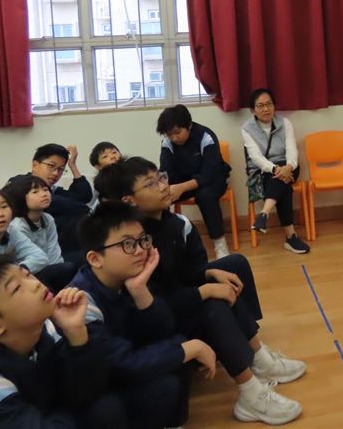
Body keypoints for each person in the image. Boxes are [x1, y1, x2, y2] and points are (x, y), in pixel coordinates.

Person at [95, 157, 306, 425]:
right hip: (152, 323)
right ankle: (251, 393)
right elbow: (156, 303)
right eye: (150, 184)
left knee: (230, 271)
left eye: (161, 178)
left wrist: (208, 274)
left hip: (173, 305)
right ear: (130, 201)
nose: (163, 186)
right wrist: (204, 291)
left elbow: (184, 274)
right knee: (212, 305)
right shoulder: (135, 244)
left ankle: (258, 357)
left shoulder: (174, 223)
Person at [0, 255, 122, 428]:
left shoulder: (41, 328)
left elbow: (91, 388)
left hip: (41, 411)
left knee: (106, 407)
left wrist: (76, 333)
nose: (35, 284)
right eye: (17, 288)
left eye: (27, 274)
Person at [71, 201, 218, 429]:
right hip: (97, 394)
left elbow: (164, 330)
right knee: (175, 359)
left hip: (121, 370)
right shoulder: (82, 302)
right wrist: (190, 348)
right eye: (127, 244)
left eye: (142, 240)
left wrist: (140, 290)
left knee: (176, 345)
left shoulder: (128, 277)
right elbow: (119, 365)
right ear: (95, 259)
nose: (140, 250)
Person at [157, 105, 232, 259]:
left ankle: (220, 244)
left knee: (206, 196)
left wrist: (182, 187)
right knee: (160, 197)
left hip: (212, 180)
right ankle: (165, 243)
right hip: (183, 180)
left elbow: (209, 173)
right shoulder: (167, 142)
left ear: (189, 125)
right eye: (170, 134)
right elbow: (165, 171)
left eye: (177, 132)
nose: (174, 138)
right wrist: (165, 188)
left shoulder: (205, 136)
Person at [242, 88, 310, 254]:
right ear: (253, 110)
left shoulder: (285, 123)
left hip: (289, 166)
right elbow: (256, 157)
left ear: (274, 106)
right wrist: (275, 169)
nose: (266, 109)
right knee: (281, 183)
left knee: (279, 179)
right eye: (260, 106)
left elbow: (292, 149)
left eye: (269, 104)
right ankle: (290, 237)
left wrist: (289, 167)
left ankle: (264, 213)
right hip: (264, 169)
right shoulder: (247, 128)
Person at [4, 175, 76, 292]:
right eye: (35, 192)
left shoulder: (48, 219)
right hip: (28, 272)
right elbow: (26, 258)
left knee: (71, 265)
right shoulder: (17, 225)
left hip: (47, 266)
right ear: (21, 198)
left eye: (46, 190)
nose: (44, 194)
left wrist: (59, 270)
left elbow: (54, 250)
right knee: (67, 268)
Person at [29, 143, 92, 260]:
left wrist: (72, 165)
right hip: (39, 254)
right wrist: (81, 208)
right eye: (51, 166)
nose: (55, 173)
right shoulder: (19, 183)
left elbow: (84, 196)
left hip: (65, 250)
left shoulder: (55, 190)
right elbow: (78, 206)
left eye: (61, 169)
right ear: (35, 165)